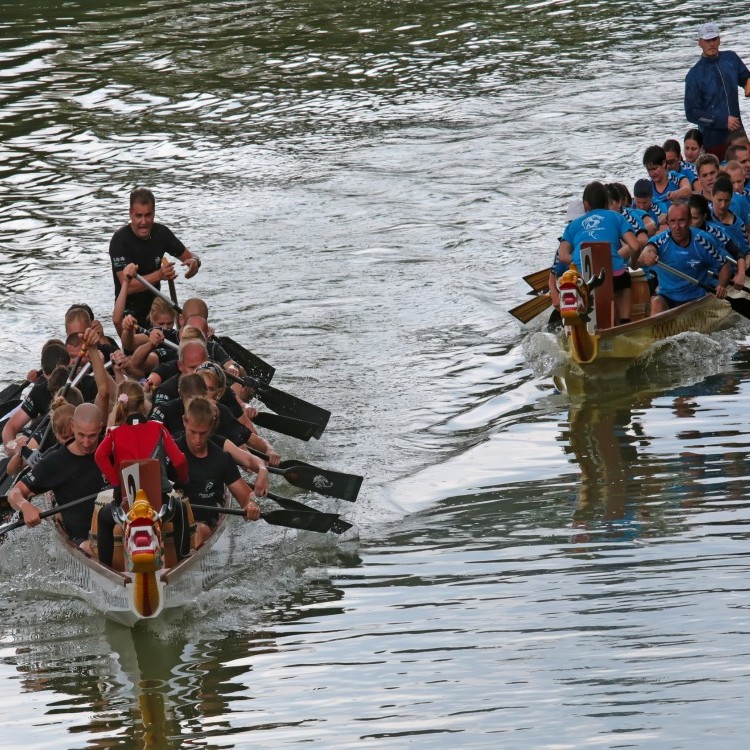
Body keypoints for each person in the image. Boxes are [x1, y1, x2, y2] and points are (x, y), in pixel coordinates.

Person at [94, 380, 190, 566]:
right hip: (158, 504)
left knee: (103, 519)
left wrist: (116, 484)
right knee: (180, 510)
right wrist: (182, 481)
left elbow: (99, 456)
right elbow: (180, 460)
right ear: (145, 404)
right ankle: (183, 561)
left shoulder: (114, 433)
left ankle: (105, 569)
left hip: (127, 506)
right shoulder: (158, 428)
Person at [8, 403, 109, 551]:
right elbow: (14, 493)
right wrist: (25, 506)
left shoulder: (110, 447)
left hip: (116, 527)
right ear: (72, 426)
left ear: (101, 427)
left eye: (92, 436)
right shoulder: (55, 461)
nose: (86, 443)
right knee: (99, 549)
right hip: (83, 538)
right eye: (81, 435)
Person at [174, 396, 261, 547]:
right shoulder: (170, 452)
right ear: (184, 421)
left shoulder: (221, 458)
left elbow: (246, 496)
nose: (197, 439)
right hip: (173, 520)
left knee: (198, 531)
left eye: (203, 433)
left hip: (204, 522)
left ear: (212, 426)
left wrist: (251, 504)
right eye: (193, 432)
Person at [109, 187, 202, 328]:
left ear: (154, 213)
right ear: (130, 214)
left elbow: (190, 256)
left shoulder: (161, 233)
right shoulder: (120, 241)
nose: (144, 222)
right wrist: (159, 275)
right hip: (127, 313)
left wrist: (194, 262)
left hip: (155, 312)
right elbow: (127, 285)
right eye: (138, 216)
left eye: (148, 215)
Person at [553, 181, 640, 324]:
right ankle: (625, 321)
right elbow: (635, 247)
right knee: (624, 281)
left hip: (584, 277)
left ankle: (582, 319)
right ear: (607, 202)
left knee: (574, 279)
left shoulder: (573, 225)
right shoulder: (617, 217)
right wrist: (634, 263)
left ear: (586, 204)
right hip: (614, 277)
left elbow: (562, 256)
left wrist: (578, 260)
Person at [638, 203, 732, 315]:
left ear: (689, 221)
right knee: (656, 303)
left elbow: (724, 266)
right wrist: (648, 254)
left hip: (696, 299)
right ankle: (655, 329)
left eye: (681, 221)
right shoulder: (660, 241)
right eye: (672, 221)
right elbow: (646, 251)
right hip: (667, 297)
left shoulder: (703, 242)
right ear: (667, 221)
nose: (677, 227)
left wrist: (721, 286)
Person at [684, 22, 750, 161]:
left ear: (719, 40)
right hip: (712, 138)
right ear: (700, 43)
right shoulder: (694, 75)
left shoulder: (731, 58)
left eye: (714, 39)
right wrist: (722, 121)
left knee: (746, 169)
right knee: (720, 177)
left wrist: (747, 84)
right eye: (707, 40)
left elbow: (745, 77)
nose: (711, 44)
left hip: (737, 131)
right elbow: (691, 113)